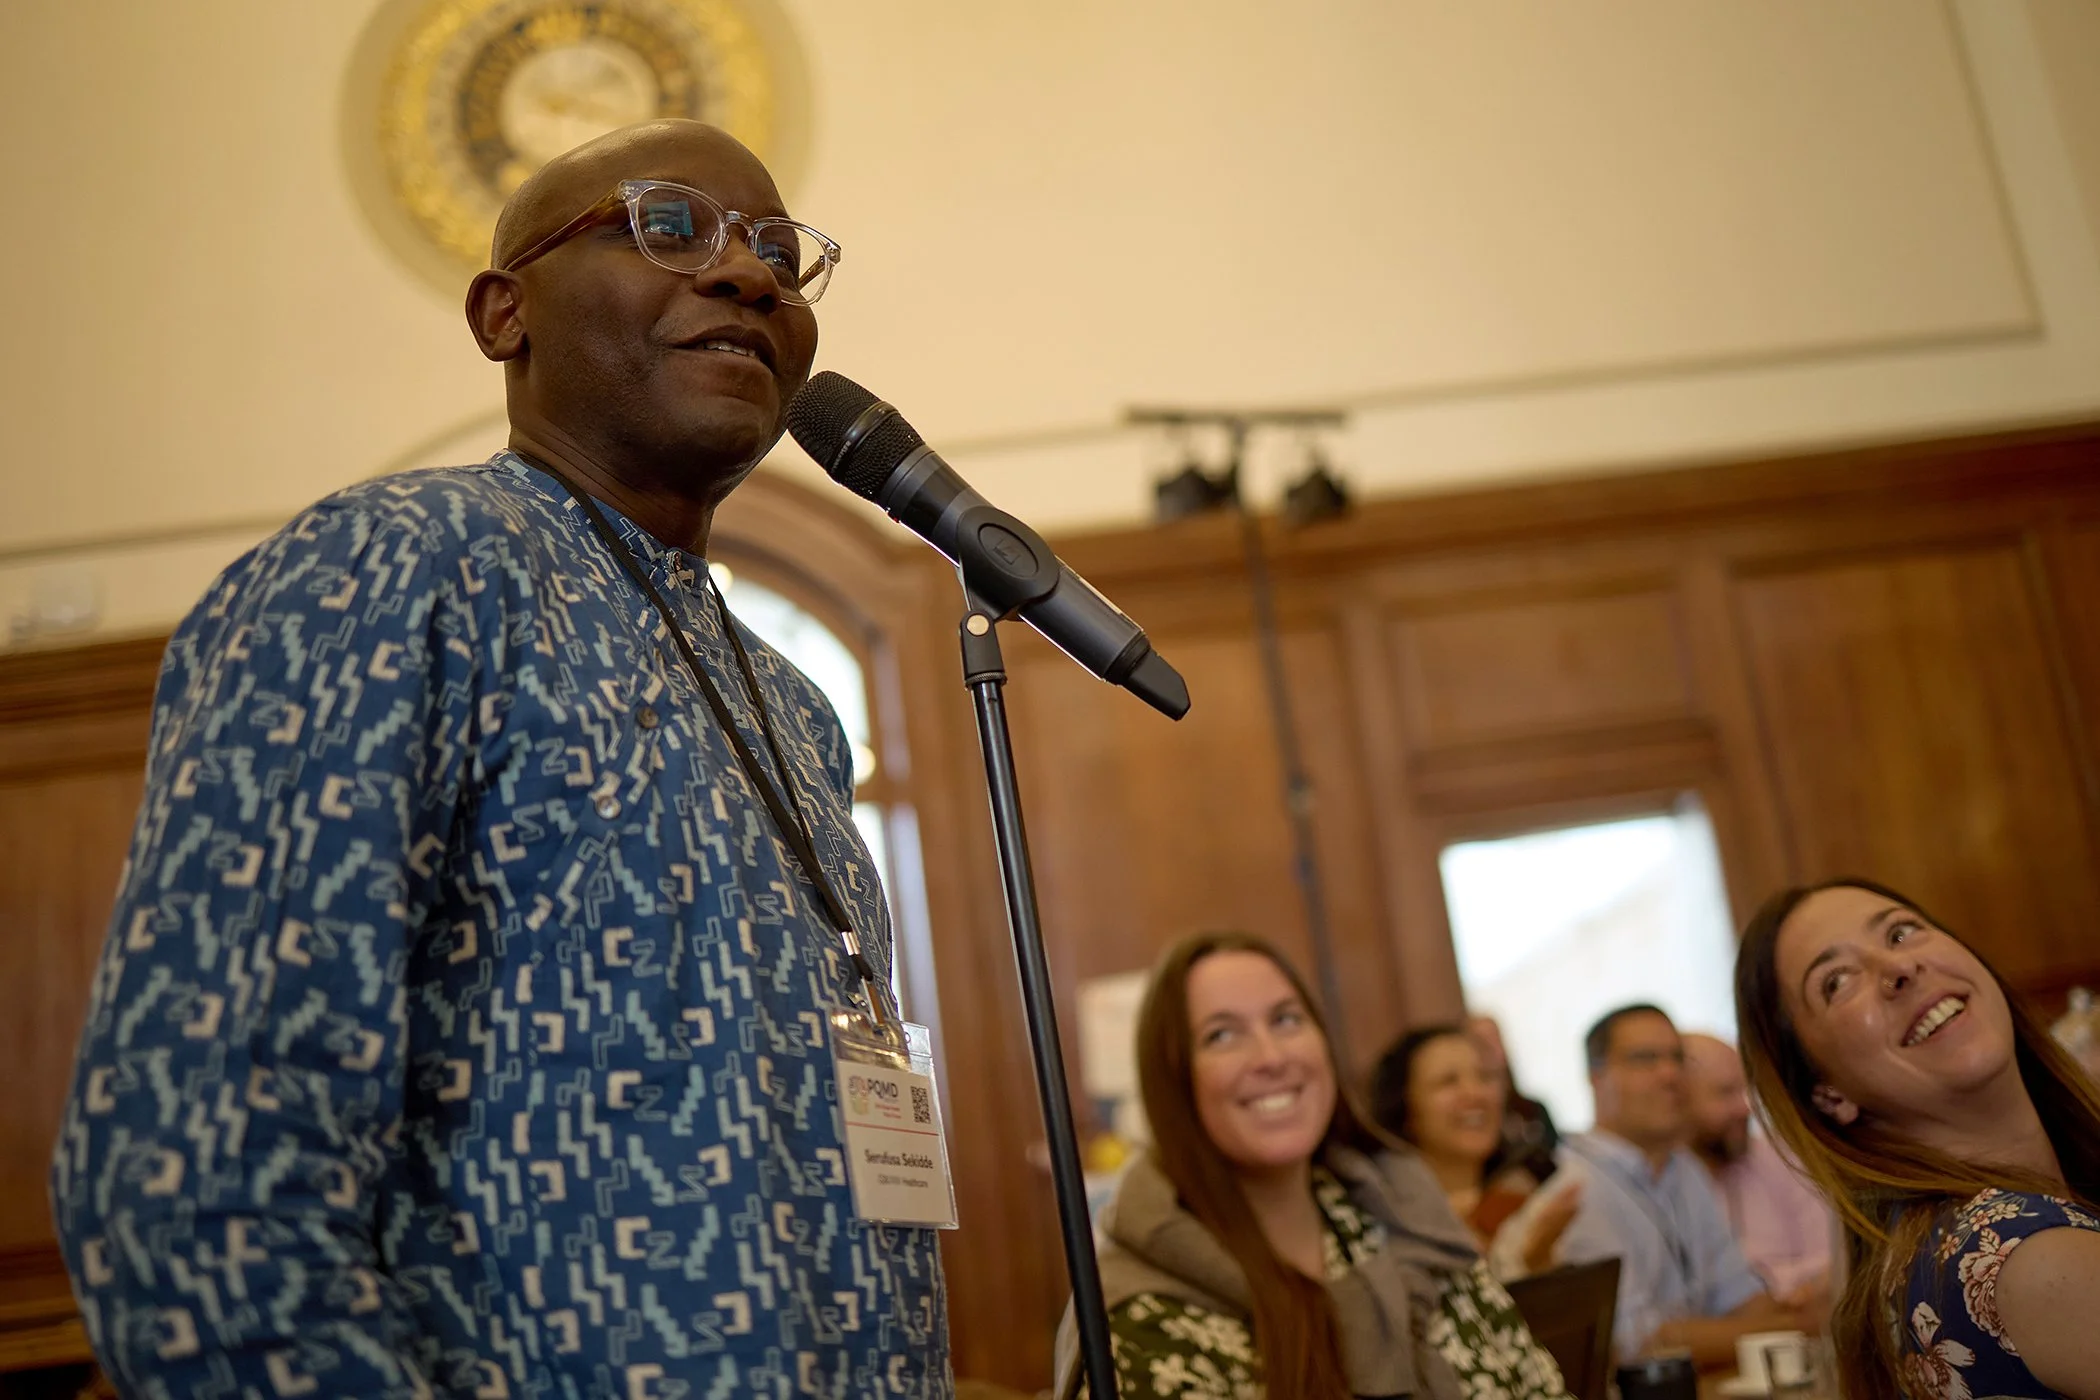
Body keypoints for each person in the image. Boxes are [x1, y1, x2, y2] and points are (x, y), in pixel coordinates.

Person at [49, 119, 952, 1397]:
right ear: (502, 313)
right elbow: (199, 1175)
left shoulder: (796, 705)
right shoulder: (390, 569)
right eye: (670, 226)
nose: (750, 273)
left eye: (777, 252)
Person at [1055, 933, 1567, 1399]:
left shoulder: (1411, 1225)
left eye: (1285, 1019)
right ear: (1174, 1082)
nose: (1271, 1056)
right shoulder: (1139, 1318)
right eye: (1221, 1035)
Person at [1736, 878, 2100, 1399]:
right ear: (1827, 1093)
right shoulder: (2031, 1259)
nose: (1899, 968)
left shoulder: (1916, 1247)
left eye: (1901, 932)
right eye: (1837, 981)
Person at [1492, 1004, 1806, 1366]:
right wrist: (1793, 1328)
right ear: (1598, 1078)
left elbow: (1740, 1295)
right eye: (1645, 1059)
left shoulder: (1683, 1168)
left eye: (1677, 1058)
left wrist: (1777, 1325)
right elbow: (1636, 1344)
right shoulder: (1575, 1186)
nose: (1669, 1073)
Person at [1370, 1024, 1580, 1267]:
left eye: (1485, 1077)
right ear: (1404, 1106)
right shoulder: (1391, 1222)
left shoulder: (1535, 1197)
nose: (1475, 1093)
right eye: (1448, 1082)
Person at [1679, 1032, 1833, 1303]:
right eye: (1725, 1093)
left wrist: (1762, 1288)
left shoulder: (1784, 1157)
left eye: (1744, 1089)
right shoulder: (1662, 1184)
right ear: (1679, 1100)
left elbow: (1833, 1265)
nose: (1745, 1108)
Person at [1468, 1013, 1560, 1183]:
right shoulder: (1471, 1120)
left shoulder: (1533, 1109)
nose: (1491, 1048)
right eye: (1480, 1041)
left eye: (1495, 1038)